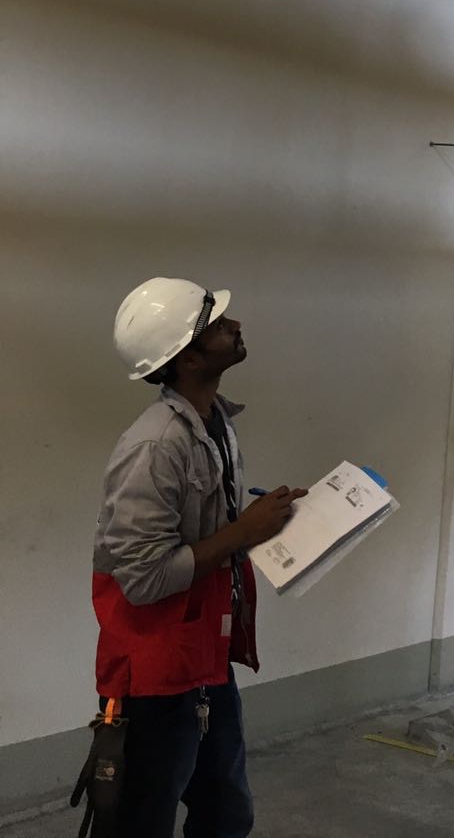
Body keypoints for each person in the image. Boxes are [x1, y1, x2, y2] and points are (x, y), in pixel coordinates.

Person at [89, 277, 306, 837]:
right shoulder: (155, 446)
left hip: (205, 654)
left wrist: (270, 521)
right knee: (143, 820)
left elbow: (213, 536)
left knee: (225, 813)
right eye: (218, 324)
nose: (236, 325)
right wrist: (242, 532)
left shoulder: (215, 424)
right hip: (157, 672)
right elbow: (143, 579)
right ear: (187, 359)